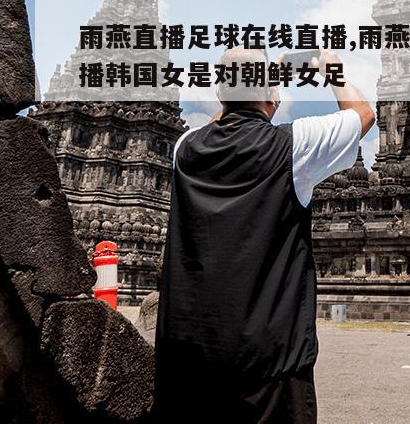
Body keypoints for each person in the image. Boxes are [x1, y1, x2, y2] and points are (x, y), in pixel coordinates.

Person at [154, 47, 375, 423]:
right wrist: (331, 69)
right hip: (268, 363)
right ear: (272, 96)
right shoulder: (293, 146)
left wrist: (249, 84)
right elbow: (363, 115)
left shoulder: (184, 149)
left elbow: (217, 119)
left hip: (188, 361)